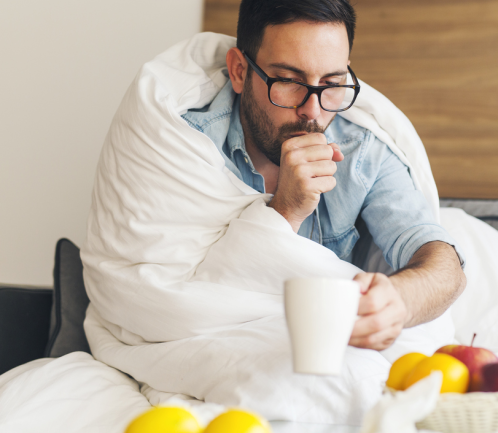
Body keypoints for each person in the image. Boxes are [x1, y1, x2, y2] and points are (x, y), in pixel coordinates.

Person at [180, 0, 466, 352]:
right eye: (287, 80)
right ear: (240, 71)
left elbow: (442, 263)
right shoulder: (187, 145)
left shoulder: (363, 152)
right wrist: (287, 209)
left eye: (331, 83)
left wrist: (399, 301)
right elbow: (172, 297)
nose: (312, 112)